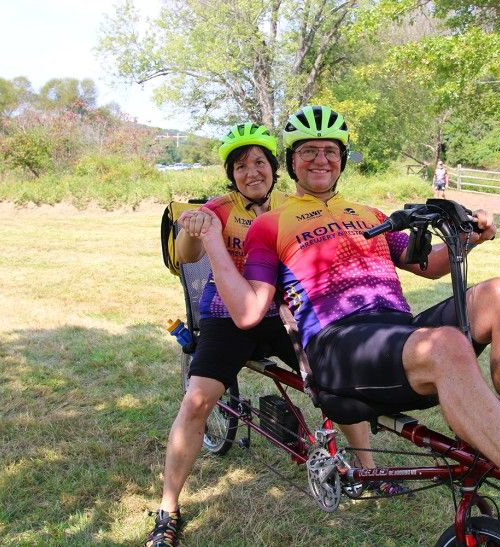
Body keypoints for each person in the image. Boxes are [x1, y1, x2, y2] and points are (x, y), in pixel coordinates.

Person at [194, 106, 500, 547]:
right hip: (337, 347)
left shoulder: (370, 215)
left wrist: (471, 237)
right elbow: (250, 312)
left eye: (330, 151)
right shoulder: (271, 223)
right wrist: (213, 240)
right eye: (308, 151)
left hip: (395, 333)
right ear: (292, 162)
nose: (320, 159)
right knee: (446, 344)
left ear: (343, 160)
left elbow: (428, 265)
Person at [145, 123, 380, 547]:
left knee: (335, 382)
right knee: (197, 400)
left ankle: (368, 470)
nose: (251, 172)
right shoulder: (216, 208)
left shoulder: (294, 205)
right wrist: (191, 230)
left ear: (274, 168)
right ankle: (167, 507)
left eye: (259, 162)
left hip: (282, 313)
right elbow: (187, 257)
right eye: (240, 166)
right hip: (226, 316)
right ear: (231, 174)